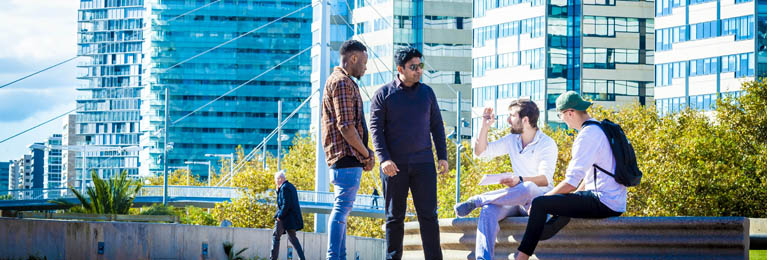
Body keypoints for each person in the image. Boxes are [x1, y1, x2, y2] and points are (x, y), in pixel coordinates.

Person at [515, 91, 626, 260]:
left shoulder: (587, 136)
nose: (563, 120)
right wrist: (568, 198)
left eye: (561, 116)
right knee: (567, 200)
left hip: (603, 201)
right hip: (615, 201)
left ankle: (521, 257)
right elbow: (588, 178)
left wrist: (543, 200)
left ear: (570, 113)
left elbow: (571, 182)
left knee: (539, 203)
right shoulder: (601, 129)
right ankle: (543, 231)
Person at [453, 100, 558, 260]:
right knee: (488, 210)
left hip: (537, 200)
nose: (508, 120)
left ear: (525, 120)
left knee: (528, 186)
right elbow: (481, 153)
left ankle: (479, 199)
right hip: (514, 199)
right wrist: (485, 126)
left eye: (511, 116)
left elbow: (544, 180)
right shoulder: (512, 139)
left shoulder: (547, 144)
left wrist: (519, 179)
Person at [370, 47, 448, 260]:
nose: (418, 71)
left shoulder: (427, 93)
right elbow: (375, 129)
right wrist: (384, 159)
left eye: (420, 66)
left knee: (429, 216)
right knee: (394, 218)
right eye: (413, 67)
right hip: (394, 166)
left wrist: (442, 156)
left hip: (424, 164)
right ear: (400, 68)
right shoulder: (383, 95)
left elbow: (437, 126)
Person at [321, 39, 376, 260]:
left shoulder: (341, 81)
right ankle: (334, 257)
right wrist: (366, 153)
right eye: (363, 62)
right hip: (346, 157)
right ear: (353, 58)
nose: (365, 67)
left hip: (345, 158)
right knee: (342, 209)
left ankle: (339, 256)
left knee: (342, 209)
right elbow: (346, 126)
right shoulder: (342, 82)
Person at [270, 170, 306, 260]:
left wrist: (279, 216)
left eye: (276, 179)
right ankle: (302, 258)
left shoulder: (284, 188)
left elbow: (286, 204)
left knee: (276, 236)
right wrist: (278, 191)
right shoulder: (291, 187)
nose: (275, 182)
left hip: (284, 217)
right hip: (291, 219)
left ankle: (272, 258)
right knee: (293, 239)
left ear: (280, 179)